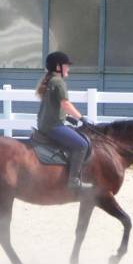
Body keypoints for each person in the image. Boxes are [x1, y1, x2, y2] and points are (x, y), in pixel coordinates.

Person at [35, 51, 92, 193]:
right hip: (53, 126)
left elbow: (53, 107)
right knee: (82, 144)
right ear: (58, 66)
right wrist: (81, 118)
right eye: (66, 65)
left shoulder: (49, 81)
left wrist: (67, 117)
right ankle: (73, 181)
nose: (68, 68)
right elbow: (65, 104)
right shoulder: (58, 81)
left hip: (46, 123)